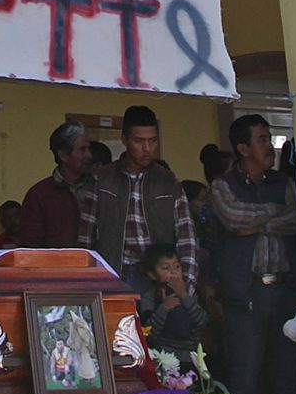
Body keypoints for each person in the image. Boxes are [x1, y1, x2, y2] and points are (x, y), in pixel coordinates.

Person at [205, 113, 296, 394]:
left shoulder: (283, 181)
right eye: (263, 139)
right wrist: (274, 214)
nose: (270, 146)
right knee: (244, 378)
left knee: (288, 376)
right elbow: (232, 217)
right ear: (243, 147)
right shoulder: (223, 184)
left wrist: (258, 220)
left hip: (284, 290)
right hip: (245, 294)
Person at [78, 104, 199, 293]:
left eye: (152, 141)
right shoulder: (101, 179)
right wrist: (87, 284)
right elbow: (86, 238)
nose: (147, 148)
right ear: (124, 140)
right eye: (139, 141)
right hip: (113, 276)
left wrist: (185, 287)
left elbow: (187, 238)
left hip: (160, 281)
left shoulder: (169, 182)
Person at [19, 121, 88, 247]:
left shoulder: (98, 188)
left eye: (88, 149)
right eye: (82, 150)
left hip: (97, 265)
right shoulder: (39, 195)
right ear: (63, 155)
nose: (89, 155)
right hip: (54, 265)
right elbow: (31, 244)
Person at [137, 242, 203, 350]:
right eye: (165, 268)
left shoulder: (190, 292)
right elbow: (149, 334)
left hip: (190, 354)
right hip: (161, 354)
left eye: (177, 266)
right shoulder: (149, 297)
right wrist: (165, 307)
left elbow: (202, 322)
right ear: (152, 274)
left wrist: (184, 296)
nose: (173, 271)